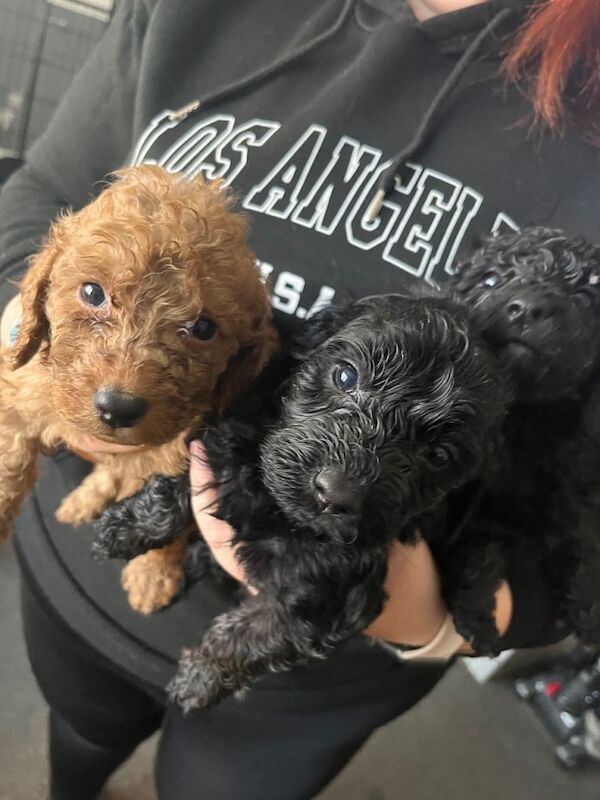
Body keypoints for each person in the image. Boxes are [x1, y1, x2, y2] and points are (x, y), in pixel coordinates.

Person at [0, 0, 598, 798]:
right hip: (77, 577)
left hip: (320, 665)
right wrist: (29, 341)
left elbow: (577, 524)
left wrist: (426, 616)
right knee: (75, 742)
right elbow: (42, 195)